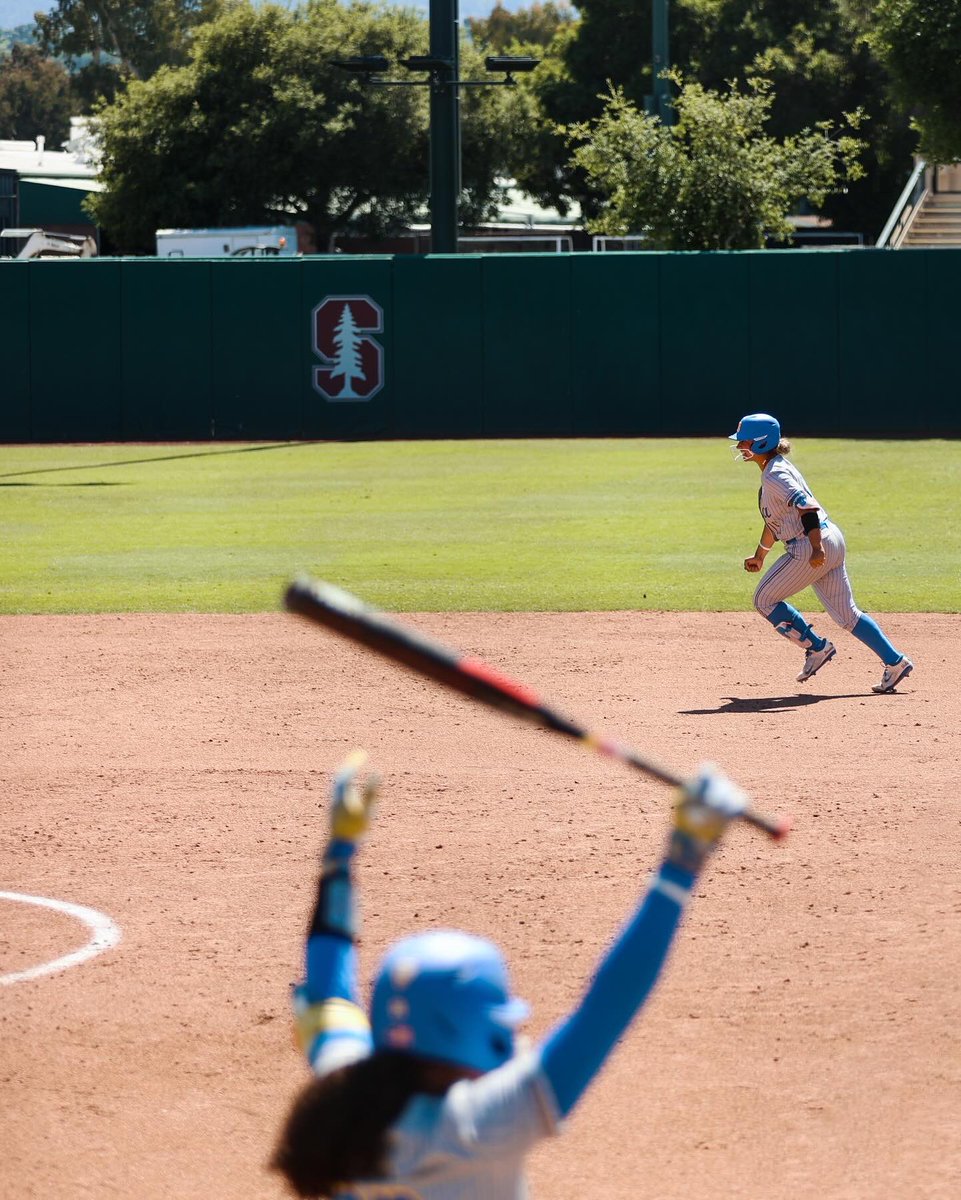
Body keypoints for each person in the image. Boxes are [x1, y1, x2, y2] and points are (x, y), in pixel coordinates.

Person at [271, 749, 762, 1200]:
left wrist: (339, 852)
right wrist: (682, 862)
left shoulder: (343, 1091)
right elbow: (608, 1008)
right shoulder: (480, 1126)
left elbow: (330, 985)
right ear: (469, 1033)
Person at [729, 412, 914, 694]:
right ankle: (895, 661)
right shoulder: (776, 468)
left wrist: (815, 548)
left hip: (810, 544)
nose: (741, 446)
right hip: (832, 538)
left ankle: (816, 647)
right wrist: (760, 555)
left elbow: (807, 508)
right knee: (848, 616)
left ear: (762, 443)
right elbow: (774, 523)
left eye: (745, 441)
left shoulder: (776, 474)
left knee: (764, 599)